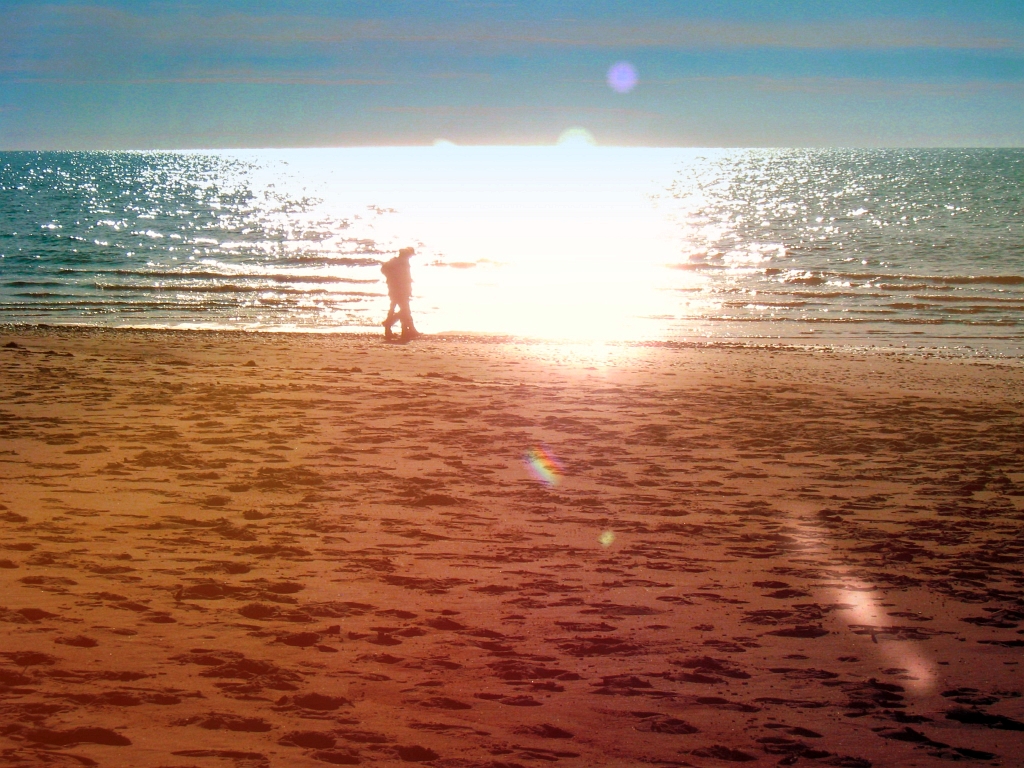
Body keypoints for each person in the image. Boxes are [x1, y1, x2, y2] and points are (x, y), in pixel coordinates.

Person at [381, 247, 421, 341]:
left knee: (397, 309)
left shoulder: (394, 262)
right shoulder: (402, 263)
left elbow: (384, 270)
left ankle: (401, 330)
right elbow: (405, 277)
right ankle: (392, 325)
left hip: (394, 289)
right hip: (400, 290)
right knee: (404, 310)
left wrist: (391, 279)